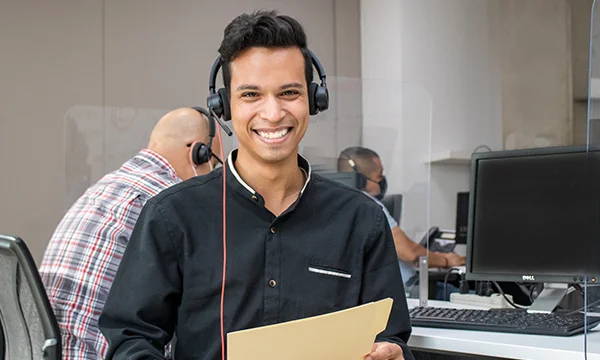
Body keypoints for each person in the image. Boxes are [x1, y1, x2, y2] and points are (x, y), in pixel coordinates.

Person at [99, 10, 414, 360]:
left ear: (313, 99)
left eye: (289, 92)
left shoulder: (362, 220)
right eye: (251, 95)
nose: (273, 113)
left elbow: (391, 336)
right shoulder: (172, 216)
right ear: (225, 106)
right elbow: (131, 339)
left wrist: (392, 353)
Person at [39, 107, 220, 360]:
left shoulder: (104, 186)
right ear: (197, 153)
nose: (212, 175)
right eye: (214, 162)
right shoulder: (170, 206)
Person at [337, 146, 465, 286]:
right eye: (379, 176)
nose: (382, 181)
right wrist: (446, 260)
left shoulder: (338, 204)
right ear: (361, 180)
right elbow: (411, 254)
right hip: (406, 290)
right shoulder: (368, 205)